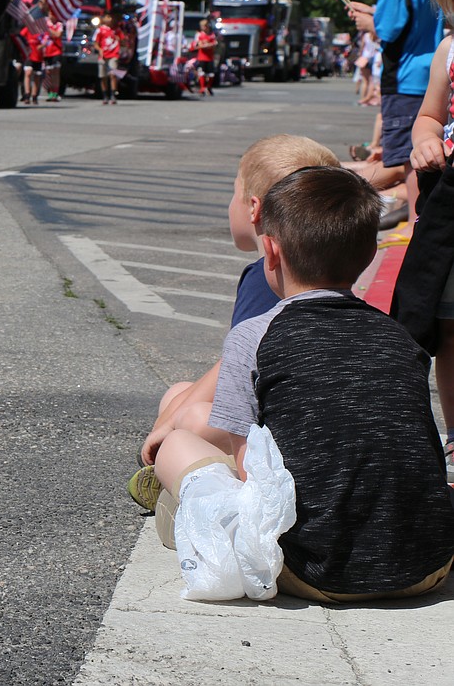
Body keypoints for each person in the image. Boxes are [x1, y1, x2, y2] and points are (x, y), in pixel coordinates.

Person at [137, 165, 454, 602]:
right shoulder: (398, 337)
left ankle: (184, 508)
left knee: (175, 446)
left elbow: (254, 476)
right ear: (367, 252)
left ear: (270, 251)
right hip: (428, 564)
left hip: (318, 571)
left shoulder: (254, 337)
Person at [137, 135, 342, 473]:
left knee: (188, 418)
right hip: (315, 420)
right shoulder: (317, 275)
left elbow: (234, 368)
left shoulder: (270, 281)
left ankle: (199, 471)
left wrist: (167, 426)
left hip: (284, 426)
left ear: (253, 208)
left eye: (235, 193)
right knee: (179, 394)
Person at [348, 0, 447, 238]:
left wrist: (367, 21)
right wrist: (374, 12)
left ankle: (412, 226)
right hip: (435, 72)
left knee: (408, 158)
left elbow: (388, 30)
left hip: (404, 78)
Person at [404, 0, 454, 474]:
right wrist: (422, 142)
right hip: (451, 205)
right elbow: (429, 116)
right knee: (447, 327)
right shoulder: (449, 49)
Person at [95, 13, 120, 105]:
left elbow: (124, 41)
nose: (109, 19)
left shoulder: (116, 30)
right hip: (103, 55)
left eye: (111, 17)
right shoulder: (100, 30)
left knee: (113, 74)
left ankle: (113, 95)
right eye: (107, 17)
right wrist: (100, 49)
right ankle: (105, 95)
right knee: (103, 76)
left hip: (113, 54)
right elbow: (96, 43)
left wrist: (120, 39)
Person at [191, 19, 217, 96]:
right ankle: (202, 88)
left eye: (204, 26)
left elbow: (214, 44)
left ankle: (209, 87)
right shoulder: (199, 35)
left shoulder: (212, 35)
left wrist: (208, 45)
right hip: (202, 57)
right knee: (201, 72)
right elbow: (198, 45)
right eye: (202, 26)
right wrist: (207, 45)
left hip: (210, 57)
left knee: (211, 74)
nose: (203, 28)